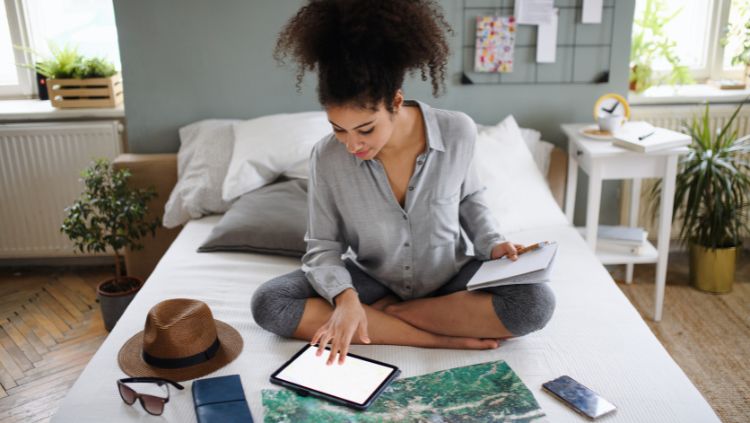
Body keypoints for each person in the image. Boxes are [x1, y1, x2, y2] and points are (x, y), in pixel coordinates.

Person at [252, 0, 555, 365]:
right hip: (371, 279)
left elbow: (470, 198)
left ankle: (389, 315)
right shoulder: (326, 157)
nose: (352, 144)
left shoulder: (456, 130)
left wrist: (492, 244)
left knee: (536, 302)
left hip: (450, 276)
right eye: (338, 129)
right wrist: (346, 299)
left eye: (365, 129)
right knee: (270, 303)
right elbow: (322, 246)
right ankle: (434, 338)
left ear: (395, 102)